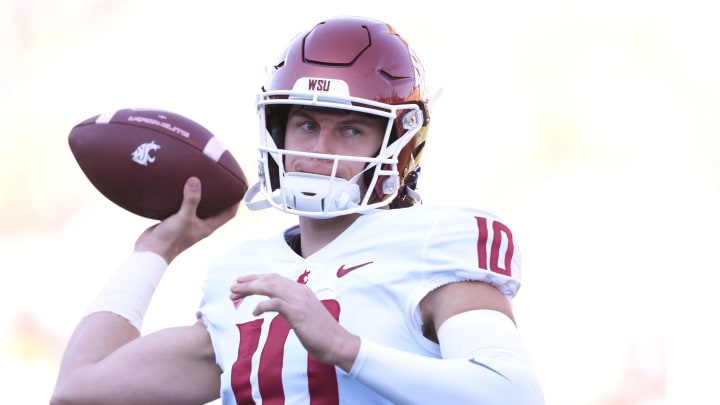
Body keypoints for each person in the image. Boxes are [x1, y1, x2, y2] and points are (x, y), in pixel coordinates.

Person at [51, 16, 544, 405]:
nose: (319, 150)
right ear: (277, 131)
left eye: (351, 129)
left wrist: (345, 348)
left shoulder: (436, 240)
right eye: (306, 124)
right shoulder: (243, 274)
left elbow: (512, 395)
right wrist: (155, 249)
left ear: (399, 143)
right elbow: (81, 389)